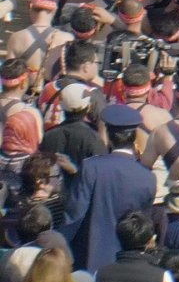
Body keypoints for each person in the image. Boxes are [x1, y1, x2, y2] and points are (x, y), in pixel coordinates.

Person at [61, 105, 156, 271]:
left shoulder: (91, 167)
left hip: (88, 258)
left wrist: (61, 246)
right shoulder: (147, 177)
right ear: (134, 137)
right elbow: (142, 224)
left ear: (109, 136)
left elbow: (75, 214)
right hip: (126, 262)